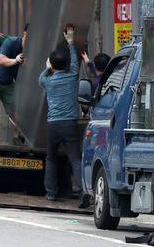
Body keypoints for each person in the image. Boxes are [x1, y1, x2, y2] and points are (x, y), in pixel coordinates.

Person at [38, 25, 89, 207]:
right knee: (75, 157)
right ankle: (83, 190)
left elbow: (41, 78)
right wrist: (70, 41)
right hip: (70, 124)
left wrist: (47, 68)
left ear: (51, 66)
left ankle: (51, 193)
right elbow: (75, 60)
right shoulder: (73, 75)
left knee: (51, 158)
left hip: (53, 124)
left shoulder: (47, 81)